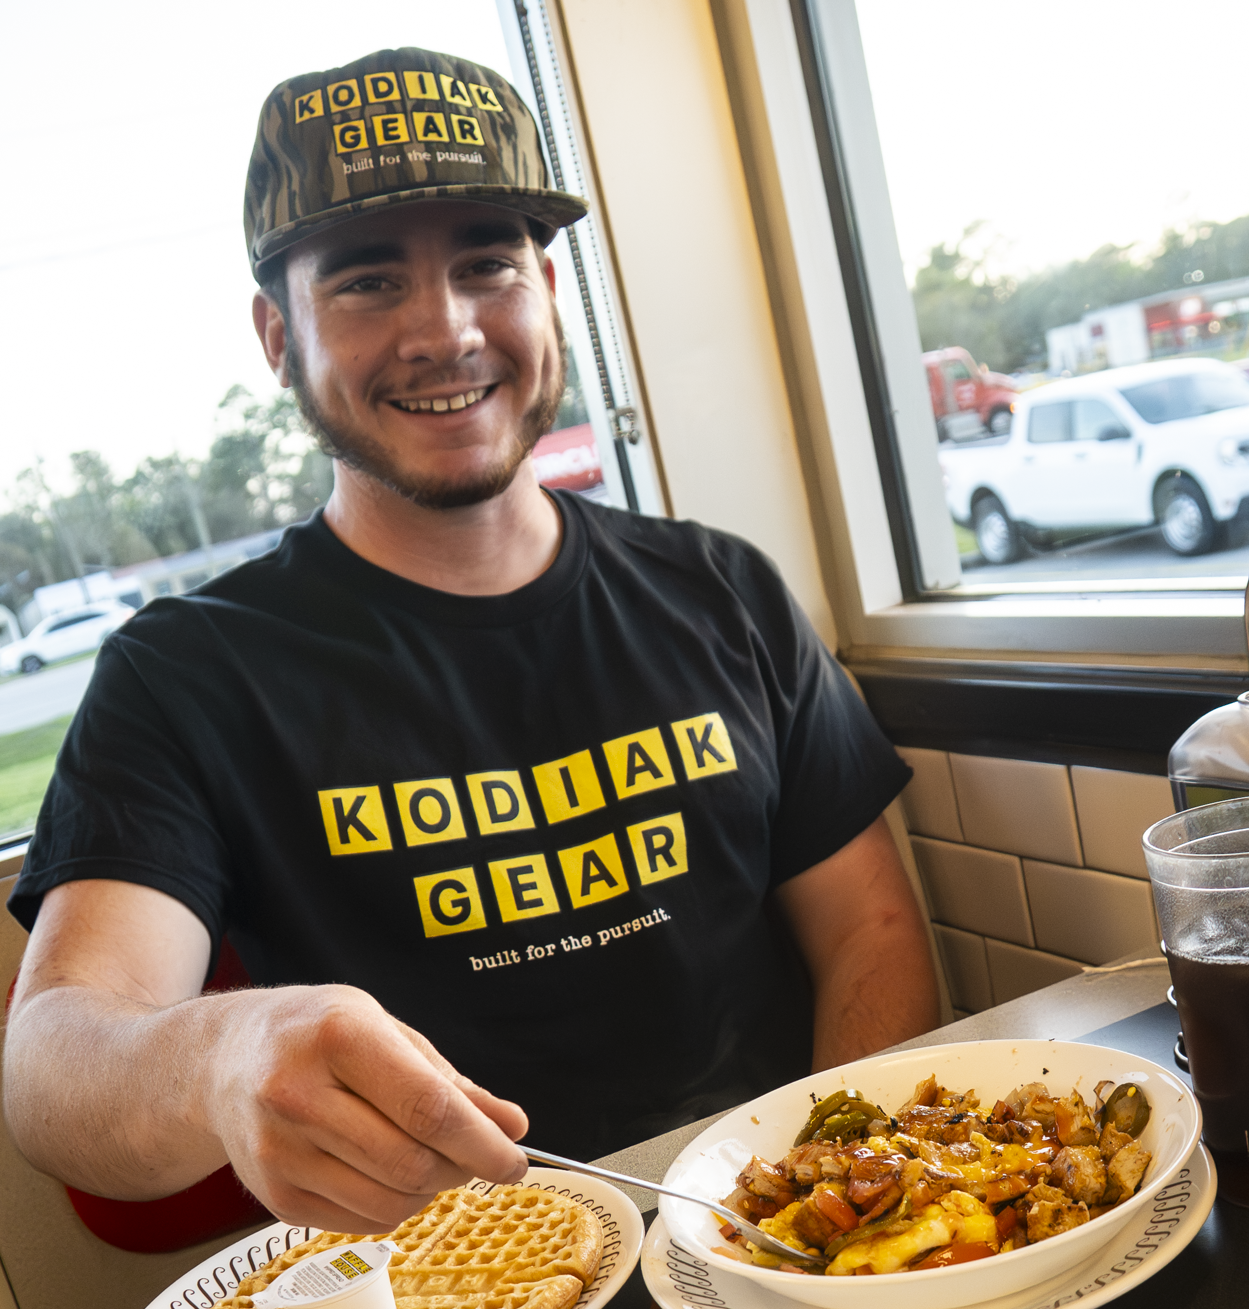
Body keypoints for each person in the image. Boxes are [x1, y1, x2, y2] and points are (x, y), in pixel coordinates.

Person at [3, 45, 937, 1235]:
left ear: (545, 289)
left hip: (766, 1229)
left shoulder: (725, 590)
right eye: (367, 281)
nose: (443, 331)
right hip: (452, 1295)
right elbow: (53, 1068)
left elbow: (872, 930)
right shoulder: (184, 673)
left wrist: (829, 1217)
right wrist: (221, 1055)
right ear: (277, 336)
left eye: (487, 264)